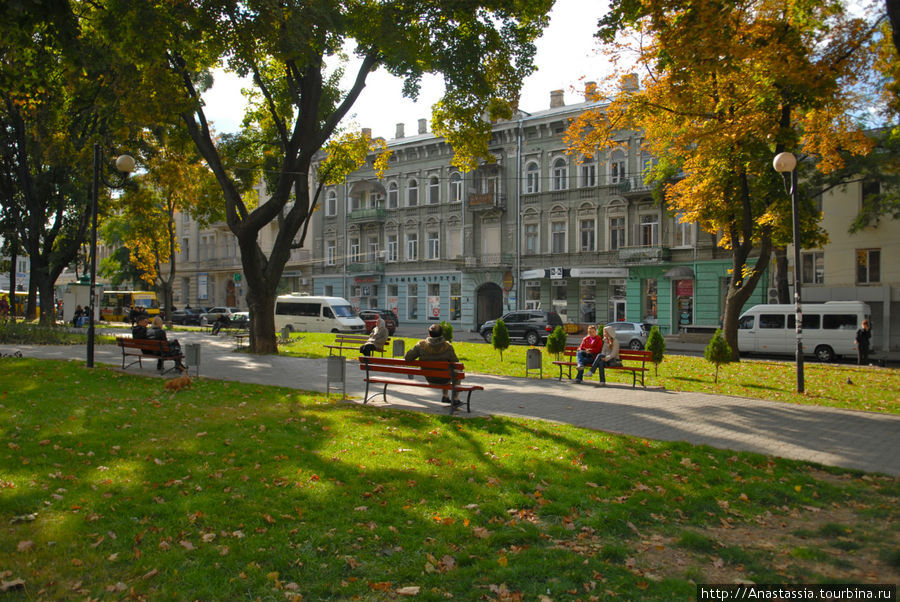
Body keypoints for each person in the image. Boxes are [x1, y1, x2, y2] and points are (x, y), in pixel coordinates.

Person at [405, 323, 460, 405]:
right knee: (456, 371)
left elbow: (408, 358)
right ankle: (454, 398)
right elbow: (455, 362)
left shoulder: (421, 345)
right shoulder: (448, 347)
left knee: (448, 371)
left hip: (429, 378)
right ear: (441, 334)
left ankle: (445, 396)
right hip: (445, 379)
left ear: (429, 334)